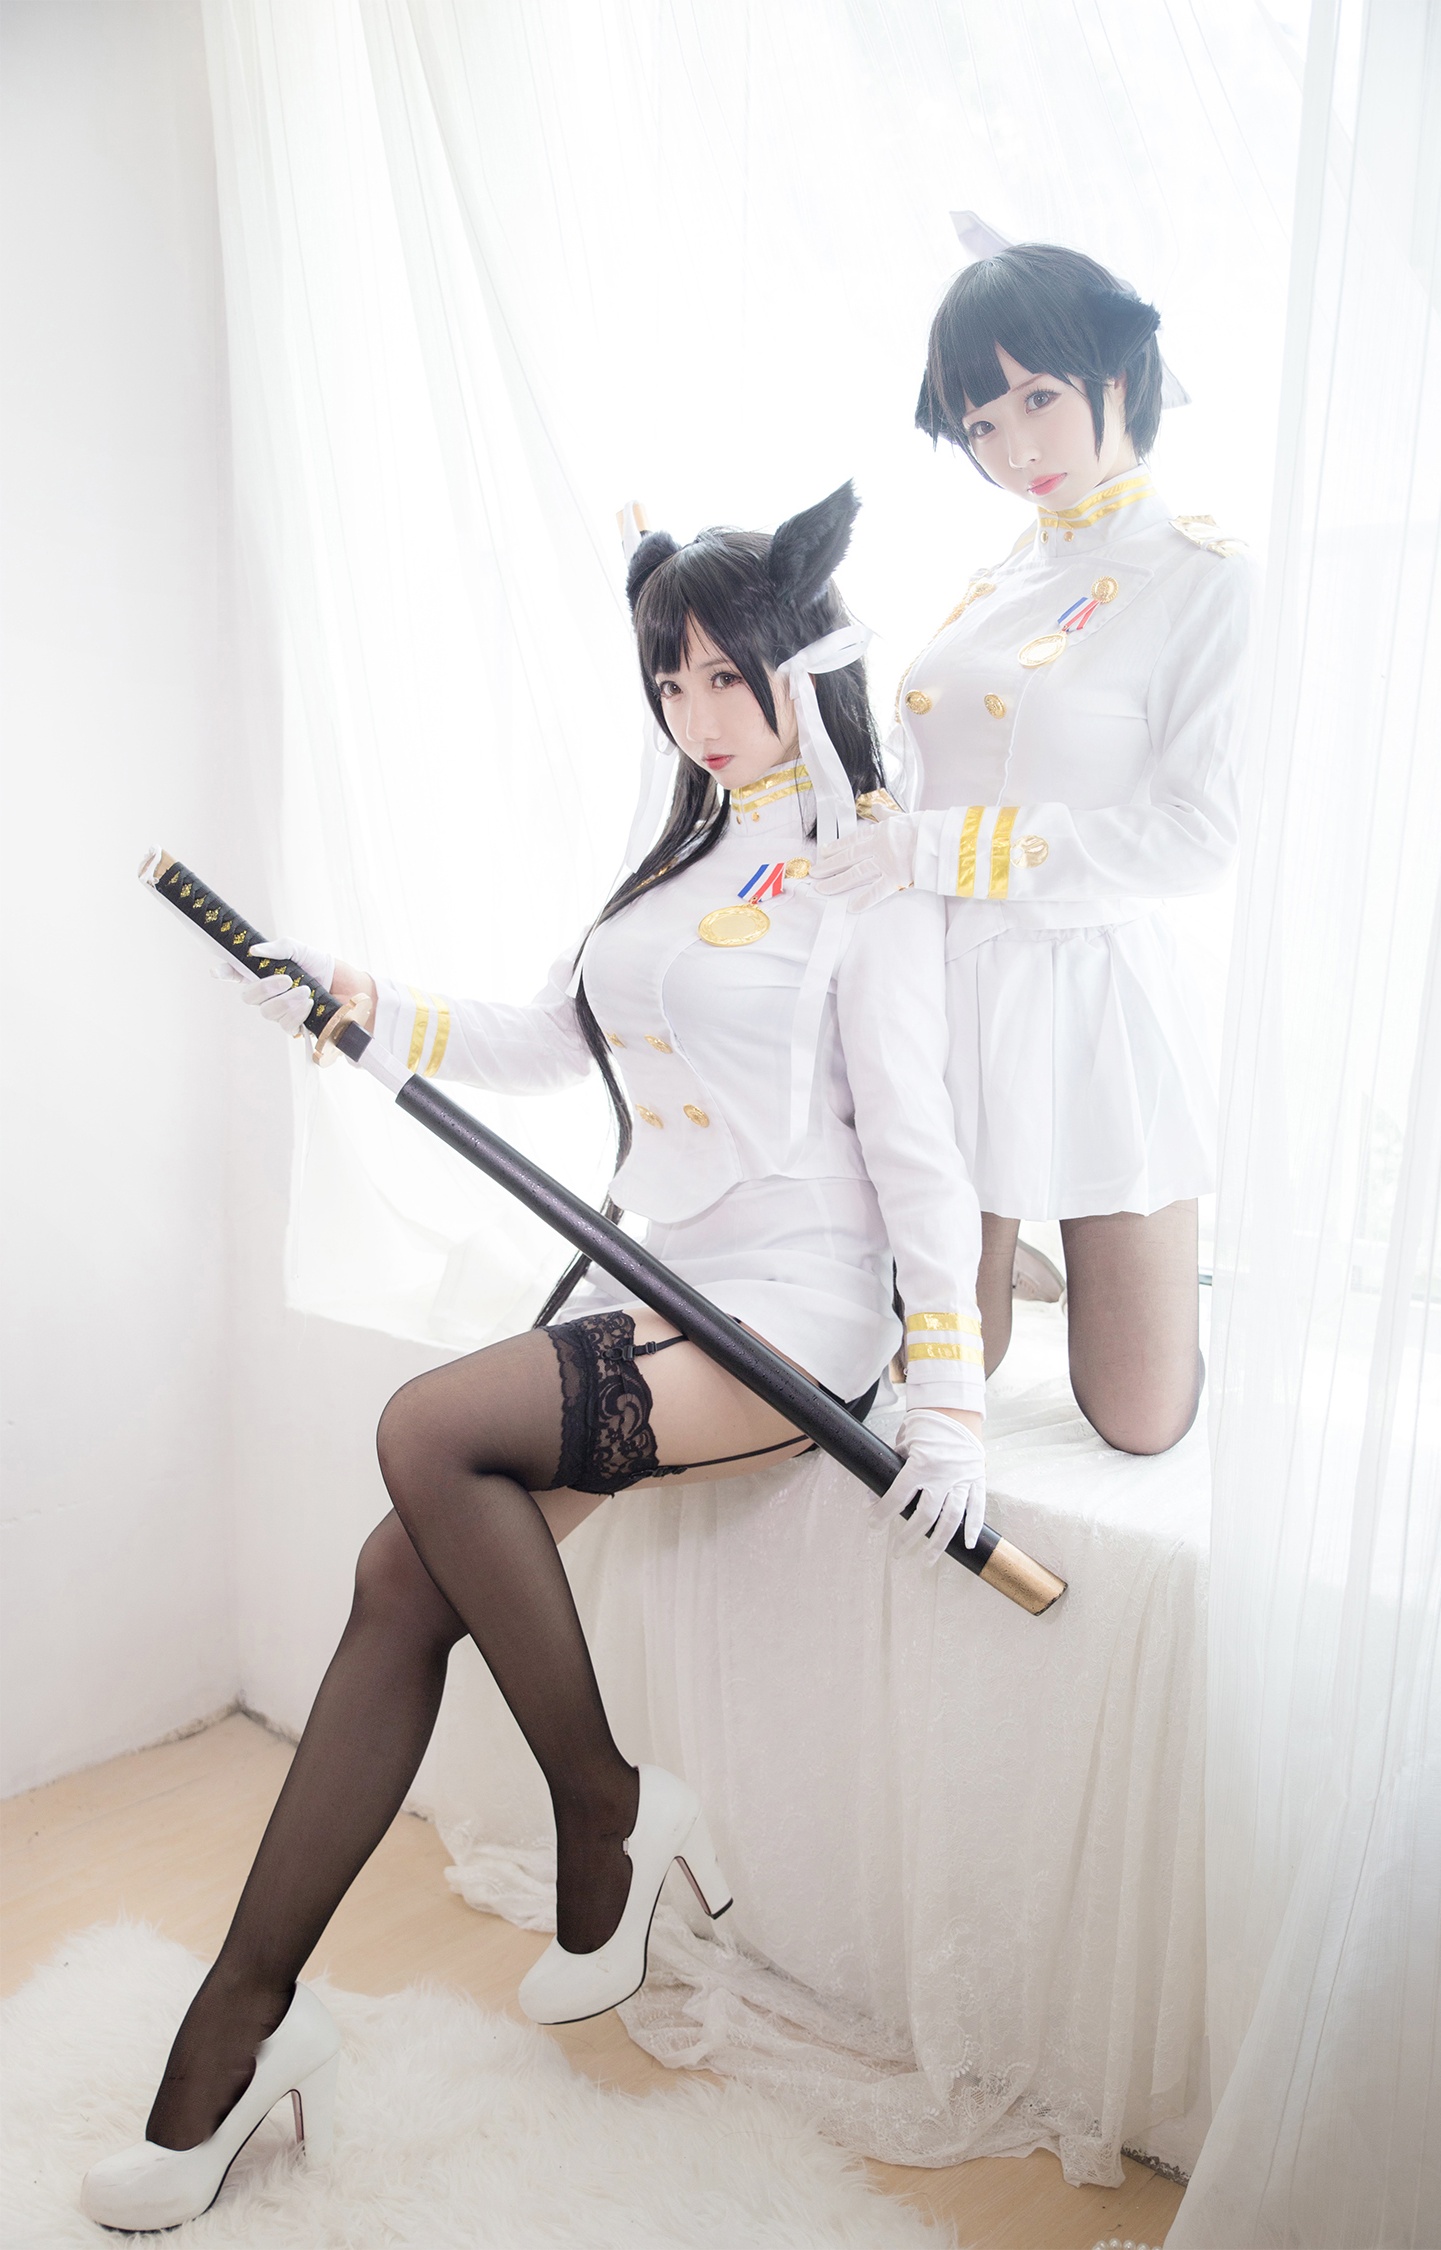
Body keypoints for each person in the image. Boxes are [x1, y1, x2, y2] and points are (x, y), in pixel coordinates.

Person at [82, 484, 989, 2232]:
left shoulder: (864, 867)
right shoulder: (670, 859)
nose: (697, 713)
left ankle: (608, 1812)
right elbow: (538, 1038)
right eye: (670, 681)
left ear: (799, 663)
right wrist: (349, 996)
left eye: (726, 675)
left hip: (795, 1311)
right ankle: (243, 2026)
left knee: (429, 1426)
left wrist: (944, 1392)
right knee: (393, 1580)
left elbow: (922, 1145)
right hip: (659, 1281)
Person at [815, 244, 1251, 1454]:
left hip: (1093, 995)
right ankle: (1012, 1261)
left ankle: (1112, 1267)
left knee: (1141, 1417)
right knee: (946, 1371)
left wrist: (941, 848)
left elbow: (1196, 839)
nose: (1016, 449)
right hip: (952, 993)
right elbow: (932, 774)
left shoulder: (1204, 579)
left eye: (1040, 398)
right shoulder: (999, 574)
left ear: (1118, 373)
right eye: (981, 423)